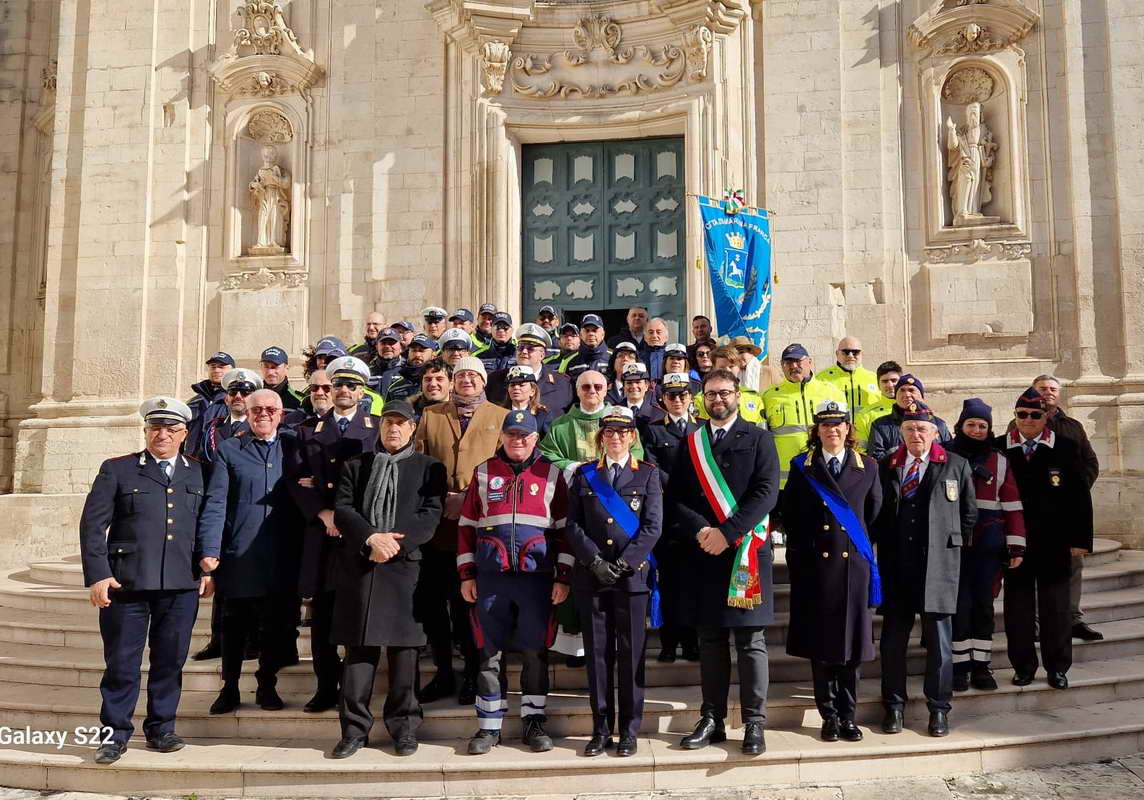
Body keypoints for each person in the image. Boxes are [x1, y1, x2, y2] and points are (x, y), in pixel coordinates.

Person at [79, 397, 212, 764]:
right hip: (127, 584)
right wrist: (99, 574)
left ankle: (161, 728)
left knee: (170, 661)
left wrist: (208, 569)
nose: (162, 435)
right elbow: (93, 525)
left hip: (181, 584)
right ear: (146, 431)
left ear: (184, 434)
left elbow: (206, 524)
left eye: (171, 429)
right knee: (121, 663)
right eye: (156, 428)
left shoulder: (200, 471)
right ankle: (114, 735)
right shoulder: (117, 469)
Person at [668, 368, 779, 755]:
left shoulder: (760, 438)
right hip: (705, 554)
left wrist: (727, 532)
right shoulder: (691, 443)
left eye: (725, 393)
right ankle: (712, 718)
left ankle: (754, 723)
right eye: (712, 394)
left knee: (751, 642)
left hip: (746, 552)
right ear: (703, 399)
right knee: (710, 640)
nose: (719, 399)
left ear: (737, 395)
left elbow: (766, 493)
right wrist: (702, 531)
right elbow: (677, 497)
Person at [329, 401, 447, 758]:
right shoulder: (356, 465)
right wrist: (371, 539)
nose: (393, 429)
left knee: (405, 656)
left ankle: (404, 727)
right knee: (358, 655)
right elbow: (344, 508)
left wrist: (394, 544)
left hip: (404, 568)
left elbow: (431, 514)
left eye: (400, 423)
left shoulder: (430, 468)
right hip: (363, 566)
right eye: (387, 423)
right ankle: (354, 730)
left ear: (412, 428)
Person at [457, 410, 573, 754]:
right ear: (503, 437)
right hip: (491, 579)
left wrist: (563, 576)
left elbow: (566, 530)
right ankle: (489, 727)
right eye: (512, 434)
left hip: (536, 579)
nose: (517, 440)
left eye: (524, 435)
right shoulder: (483, 473)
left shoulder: (552, 474)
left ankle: (534, 723)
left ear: (535, 439)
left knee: (535, 652)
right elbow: (465, 526)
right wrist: (467, 573)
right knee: (489, 653)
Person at [781, 400, 882, 743]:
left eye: (838, 424)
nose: (832, 431)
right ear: (817, 430)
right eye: (825, 425)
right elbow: (790, 514)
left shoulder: (867, 467)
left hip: (852, 567)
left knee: (852, 649)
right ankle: (828, 715)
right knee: (822, 647)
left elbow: (875, 514)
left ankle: (848, 715)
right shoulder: (802, 466)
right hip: (817, 569)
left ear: (848, 428)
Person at [566, 407, 663, 757]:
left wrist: (622, 563)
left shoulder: (648, 475)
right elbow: (573, 525)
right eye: (609, 432)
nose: (616, 437)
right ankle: (601, 728)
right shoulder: (584, 474)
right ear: (601, 437)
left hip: (631, 579)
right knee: (597, 657)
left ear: (632, 437)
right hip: (592, 578)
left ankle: (630, 730)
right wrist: (594, 561)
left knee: (631, 655)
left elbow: (653, 527)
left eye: (623, 432)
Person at [875, 401, 976, 738]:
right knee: (892, 644)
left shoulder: (955, 465)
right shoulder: (886, 465)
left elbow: (968, 515)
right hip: (897, 567)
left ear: (935, 432)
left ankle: (939, 709)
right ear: (901, 433)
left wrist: (953, 554)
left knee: (940, 644)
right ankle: (894, 705)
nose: (915, 434)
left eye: (922, 428)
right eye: (909, 429)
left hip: (939, 569)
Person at [200, 389, 303, 715]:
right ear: (247, 411)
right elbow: (216, 503)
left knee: (274, 626)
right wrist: (209, 551)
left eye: (270, 409)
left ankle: (266, 684)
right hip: (240, 556)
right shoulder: (230, 450)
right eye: (257, 409)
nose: (263, 414)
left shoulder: (293, 449)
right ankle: (229, 688)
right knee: (234, 628)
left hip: (281, 555)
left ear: (280, 414)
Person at [414, 356, 508, 705]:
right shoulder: (431, 416)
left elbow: (504, 470)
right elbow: (418, 465)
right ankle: (442, 673)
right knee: (436, 606)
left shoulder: (500, 417)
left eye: (474, 375)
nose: (468, 380)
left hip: (479, 528)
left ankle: (473, 673)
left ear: (484, 381)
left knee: (469, 605)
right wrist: (443, 500)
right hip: (437, 529)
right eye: (462, 374)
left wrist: (466, 499)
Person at [286, 357, 377, 713]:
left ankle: (356, 692)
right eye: (338, 384)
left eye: (351, 385)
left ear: (361, 391)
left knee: (358, 611)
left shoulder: (375, 427)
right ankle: (326, 687)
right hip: (323, 535)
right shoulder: (308, 431)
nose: (343, 391)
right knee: (322, 617)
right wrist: (322, 511)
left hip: (358, 535)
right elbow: (295, 480)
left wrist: (348, 516)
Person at [1003, 388, 1094, 690]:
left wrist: (1080, 539)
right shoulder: (1000, 449)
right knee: (1018, 608)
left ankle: (1057, 667)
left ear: (1046, 417)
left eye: (1035, 415)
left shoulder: (1065, 447)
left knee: (1056, 607)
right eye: (1022, 414)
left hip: (1054, 541)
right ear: (1015, 416)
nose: (1028, 420)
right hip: (1015, 543)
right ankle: (1024, 666)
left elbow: (1080, 496)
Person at [946, 398, 1025, 692]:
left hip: (988, 545)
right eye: (971, 424)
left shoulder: (999, 459)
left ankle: (981, 667)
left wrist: (1016, 546)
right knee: (958, 605)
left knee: (983, 606)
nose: (977, 430)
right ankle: (959, 667)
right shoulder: (946, 454)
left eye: (982, 426)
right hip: (953, 543)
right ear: (961, 425)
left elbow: (1013, 504)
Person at [1025, 375, 1101, 642]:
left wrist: (1074, 493)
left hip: (1067, 513)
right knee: (1036, 568)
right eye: (1042, 389)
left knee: (1073, 565)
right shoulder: (1024, 420)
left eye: (1053, 389)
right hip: (1036, 514)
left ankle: (1073, 619)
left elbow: (1090, 463)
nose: (1048, 393)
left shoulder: (1073, 426)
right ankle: (1035, 621)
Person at [638, 373, 700, 662]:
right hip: (667, 517)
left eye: (682, 395)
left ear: (690, 397)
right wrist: (680, 488)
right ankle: (668, 642)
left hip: (698, 517)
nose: (677, 400)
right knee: (669, 583)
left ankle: (692, 642)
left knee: (694, 582)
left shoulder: (703, 429)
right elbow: (652, 467)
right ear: (662, 398)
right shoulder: (652, 431)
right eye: (671, 395)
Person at [761, 343, 845, 489]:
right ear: (782, 365)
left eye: (798, 360)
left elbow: (845, 430)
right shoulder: (769, 396)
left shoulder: (832, 392)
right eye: (788, 362)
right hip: (785, 481)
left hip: (825, 475)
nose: (793, 366)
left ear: (809, 362)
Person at [541, 370, 646, 481]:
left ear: (605, 391)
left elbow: (636, 451)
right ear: (577, 391)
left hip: (614, 487)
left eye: (598, 387)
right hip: (574, 487)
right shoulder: (560, 425)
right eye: (586, 387)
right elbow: (546, 453)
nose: (592, 391)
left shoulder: (624, 421)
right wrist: (572, 466)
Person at [485, 323, 573, 414]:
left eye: (530, 348)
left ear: (542, 355)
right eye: (520, 347)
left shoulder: (562, 383)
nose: (524, 352)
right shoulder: (495, 380)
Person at [868, 374, 952, 460]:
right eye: (902, 390)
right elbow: (875, 457)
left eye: (911, 390)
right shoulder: (880, 425)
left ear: (922, 396)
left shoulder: (939, 424)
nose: (907, 394)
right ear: (895, 397)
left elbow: (949, 454)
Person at [189, 367, 261, 465]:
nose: (238, 397)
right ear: (226, 400)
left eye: (245, 392)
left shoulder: (261, 427)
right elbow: (203, 461)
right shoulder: (212, 427)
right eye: (233, 392)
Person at [694, 345, 765, 425]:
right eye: (722, 367)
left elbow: (761, 429)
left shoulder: (754, 398)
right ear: (714, 368)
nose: (727, 371)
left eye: (731, 366)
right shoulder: (702, 399)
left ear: (738, 367)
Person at [816, 337, 881, 417]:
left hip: (866, 428)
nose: (850, 356)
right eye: (846, 352)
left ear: (861, 354)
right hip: (836, 428)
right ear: (837, 354)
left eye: (855, 352)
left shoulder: (875, 378)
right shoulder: (821, 378)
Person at [853, 361, 902, 449]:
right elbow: (860, 450)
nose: (890, 385)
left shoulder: (913, 410)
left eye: (894, 380)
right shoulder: (865, 415)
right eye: (885, 381)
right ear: (878, 385)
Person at [380, 333, 438, 402]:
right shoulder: (395, 387)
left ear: (433, 355)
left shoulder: (438, 384)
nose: (417, 355)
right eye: (413, 350)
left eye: (422, 350)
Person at [501, 365, 553, 437]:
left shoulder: (542, 415)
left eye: (521, 385)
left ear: (532, 391)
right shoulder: (499, 413)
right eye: (512, 385)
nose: (516, 388)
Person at [187, 352, 234, 423]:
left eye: (221, 367)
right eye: (213, 367)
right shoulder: (196, 401)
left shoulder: (238, 400)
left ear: (232, 371)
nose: (216, 370)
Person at [565, 314, 611, 378]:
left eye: (595, 330)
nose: (591, 334)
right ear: (580, 334)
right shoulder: (567, 360)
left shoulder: (614, 357)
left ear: (603, 334)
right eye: (587, 330)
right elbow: (561, 385)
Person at [259, 346, 304, 410]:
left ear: (286, 368)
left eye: (275, 367)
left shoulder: (298, 402)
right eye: (266, 366)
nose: (270, 372)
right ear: (261, 367)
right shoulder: (253, 397)